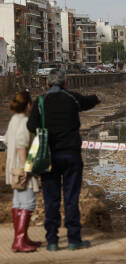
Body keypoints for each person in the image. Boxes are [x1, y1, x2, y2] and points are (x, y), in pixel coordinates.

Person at [27, 70, 100, 251]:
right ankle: (74, 239)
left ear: (47, 83)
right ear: (65, 83)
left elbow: (30, 125)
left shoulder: (41, 102)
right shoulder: (72, 98)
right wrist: (98, 98)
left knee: (50, 199)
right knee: (71, 197)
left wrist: (43, 131)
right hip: (71, 155)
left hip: (48, 157)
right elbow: (89, 101)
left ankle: (52, 241)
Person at [4, 90, 41, 253]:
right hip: (22, 166)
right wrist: (27, 167)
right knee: (28, 202)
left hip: (12, 167)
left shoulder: (13, 120)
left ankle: (22, 237)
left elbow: (6, 140)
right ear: (28, 105)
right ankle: (19, 240)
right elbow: (21, 145)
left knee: (18, 201)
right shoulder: (25, 121)